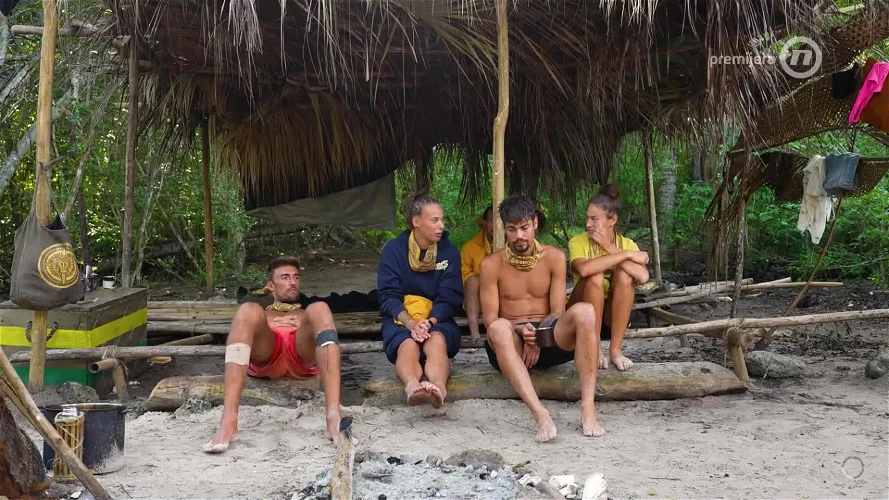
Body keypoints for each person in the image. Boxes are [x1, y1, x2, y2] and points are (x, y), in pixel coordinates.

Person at [480, 195, 603, 443]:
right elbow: (490, 319)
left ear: (535, 223)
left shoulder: (554, 257)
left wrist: (537, 338)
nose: (519, 236)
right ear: (504, 229)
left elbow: (557, 312)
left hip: (548, 335)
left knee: (586, 311)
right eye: (512, 229)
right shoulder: (491, 264)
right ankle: (540, 414)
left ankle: (588, 407)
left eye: (524, 227)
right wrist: (522, 333)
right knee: (499, 327)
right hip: (512, 342)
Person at [203, 256, 342, 453]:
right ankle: (228, 421)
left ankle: (334, 417)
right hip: (267, 354)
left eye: (296, 277)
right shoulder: (262, 313)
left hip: (301, 354)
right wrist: (268, 322)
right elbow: (245, 330)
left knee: (321, 307)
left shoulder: (306, 314)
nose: (292, 282)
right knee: (247, 309)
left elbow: (319, 329)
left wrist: (302, 324)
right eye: (285, 277)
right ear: (270, 286)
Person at [377, 193, 464, 408]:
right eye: (434, 220)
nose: (441, 225)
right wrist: (410, 323)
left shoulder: (449, 252)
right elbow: (388, 295)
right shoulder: (394, 250)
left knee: (436, 341)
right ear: (416, 222)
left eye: (442, 219)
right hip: (402, 318)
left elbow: (450, 297)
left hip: (438, 319)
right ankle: (412, 387)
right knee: (407, 344)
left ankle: (439, 388)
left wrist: (430, 322)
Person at [567, 184, 650, 371]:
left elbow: (643, 276)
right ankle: (594, 348)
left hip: (611, 317)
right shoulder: (578, 241)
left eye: (594, 219)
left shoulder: (626, 243)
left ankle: (615, 350)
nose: (588, 224)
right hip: (581, 313)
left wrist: (609, 247)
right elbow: (584, 270)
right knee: (595, 276)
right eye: (587, 218)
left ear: (612, 220)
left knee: (625, 276)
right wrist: (626, 255)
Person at [460, 205, 494, 339]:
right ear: (484, 223)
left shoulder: (512, 244)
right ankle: (475, 335)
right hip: (479, 299)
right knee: (473, 281)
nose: (497, 225)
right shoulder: (470, 247)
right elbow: (465, 279)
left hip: (506, 296)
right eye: (492, 220)